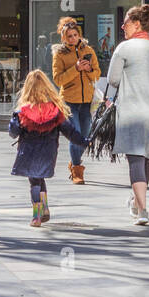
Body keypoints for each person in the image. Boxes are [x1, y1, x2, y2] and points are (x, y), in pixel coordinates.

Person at [105, 4, 149, 226]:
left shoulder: (124, 48)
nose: (122, 26)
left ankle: (142, 210)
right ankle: (136, 202)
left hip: (132, 112)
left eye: (125, 23)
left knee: (134, 161)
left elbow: (113, 80)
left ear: (136, 24)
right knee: (144, 160)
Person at [8, 69, 89, 227]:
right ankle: (44, 208)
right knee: (39, 177)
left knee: (34, 182)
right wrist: (85, 141)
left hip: (28, 151)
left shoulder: (22, 112)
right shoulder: (55, 111)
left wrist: (14, 120)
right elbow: (70, 132)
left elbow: (13, 132)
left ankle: (37, 215)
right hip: (48, 151)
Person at [51, 16, 101, 185]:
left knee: (85, 136)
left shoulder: (89, 50)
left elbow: (97, 74)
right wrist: (76, 68)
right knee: (76, 135)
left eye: (75, 35)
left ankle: (74, 163)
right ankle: (77, 170)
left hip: (87, 101)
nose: (72, 38)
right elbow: (58, 80)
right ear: (63, 37)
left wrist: (88, 69)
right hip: (69, 101)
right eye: (69, 36)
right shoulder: (59, 54)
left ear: (79, 35)